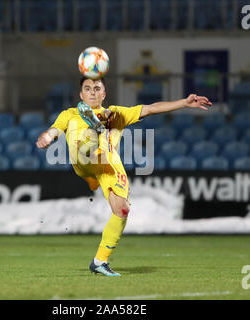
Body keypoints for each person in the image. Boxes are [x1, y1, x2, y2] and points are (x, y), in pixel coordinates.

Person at [36, 76, 212, 276]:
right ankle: (92, 166)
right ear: (81, 94)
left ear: (104, 94)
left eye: (96, 88)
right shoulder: (70, 114)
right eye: (87, 88)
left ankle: (99, 261)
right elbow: (54, 130)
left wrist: (184, 103)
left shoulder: (117, 114)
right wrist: (47, 137)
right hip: (84, 164)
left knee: (122, 210)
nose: (92, 92)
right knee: (90, 145)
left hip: (108, 166)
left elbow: (151, 108)